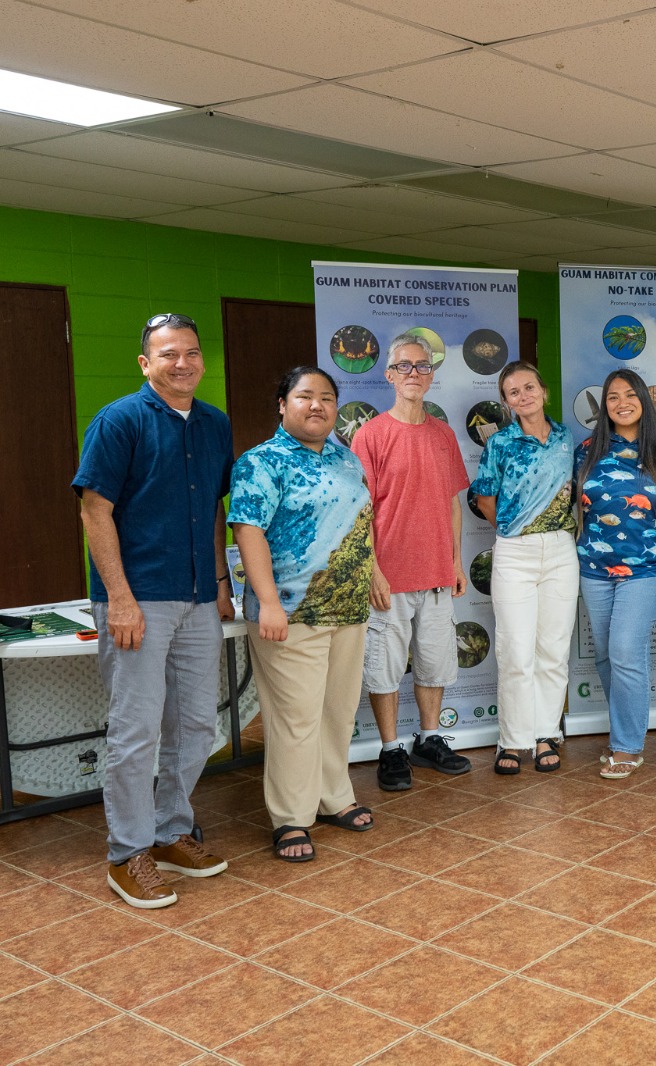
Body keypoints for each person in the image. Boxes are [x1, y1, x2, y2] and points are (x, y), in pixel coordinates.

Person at [73, 312, 232, 908]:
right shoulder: (119, 420)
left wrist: (219, 579)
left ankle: (170, 833)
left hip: (197, 598)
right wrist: (118, 598)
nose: (182, 363)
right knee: (137, 732)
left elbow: (214, 511)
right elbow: (94, 509)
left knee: (195, 725)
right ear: (146, 363)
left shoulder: (215, 425)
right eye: (168, 354)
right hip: (137, 598)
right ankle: (128, 853)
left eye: (191, 353)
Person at [230, 367, 375, 862]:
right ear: (282, 403)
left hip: (349, 606)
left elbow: (359, 522)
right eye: (305, 396)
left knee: (337, 711)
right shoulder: (261, 462)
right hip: (290, 611)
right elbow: (247, 530)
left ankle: (333, 796)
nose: (317, 406)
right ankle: (291, 817)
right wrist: (267, 600)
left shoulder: (346, 458)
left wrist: (373, 572)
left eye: (327, 398)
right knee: (296, 717)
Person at [353, 335, 472, 791]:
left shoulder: (442, 434)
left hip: (438, 573)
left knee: (435, 661)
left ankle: (428, 737)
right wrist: (373, 571)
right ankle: (389, 748)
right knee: (383, 665)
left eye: (422, 367)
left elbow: (453, 503)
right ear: (389, 376)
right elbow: (360, 511)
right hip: (390, 576)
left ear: (432, 375)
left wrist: (456, 562)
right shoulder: (372, 435)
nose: (414, 374)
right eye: (404, 367)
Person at [576, 368, 656, 779]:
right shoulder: (586, 450)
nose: (621, 403)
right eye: (612, 397)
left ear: (643, 399)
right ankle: (623, 730)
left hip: (647, 567)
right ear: (604, 406)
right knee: (607, 654)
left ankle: (627, 745)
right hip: (594, 568)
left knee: (625, 648)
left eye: (629, 395)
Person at [470, 361, 578, 776]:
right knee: (516, 650)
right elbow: (484, 497)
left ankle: (546, 733)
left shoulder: (567, 437)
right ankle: (513, 740)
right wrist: (515, 529)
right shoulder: (500, 443)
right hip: (515, 552)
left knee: (552, 649)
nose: (523, 396)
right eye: (513, 392)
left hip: (561, 551)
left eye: (529, 387)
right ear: (506, 402)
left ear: (543, 391)